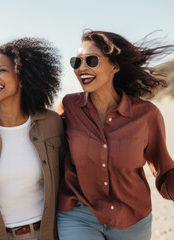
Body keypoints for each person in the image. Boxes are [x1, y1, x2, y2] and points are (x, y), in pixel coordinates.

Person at [57, 30, 174, 240]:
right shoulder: (69, 107)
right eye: (77, 62)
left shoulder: (146, 115)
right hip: (79, 216)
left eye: (91, 60)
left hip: (132, 218)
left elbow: (164, 170)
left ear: (115, 66)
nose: (81, 68)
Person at [0, 38, 66, 240]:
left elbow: (64, 175)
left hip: (42, 233)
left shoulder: (51, 123)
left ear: (22, 79)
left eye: (1, 70)